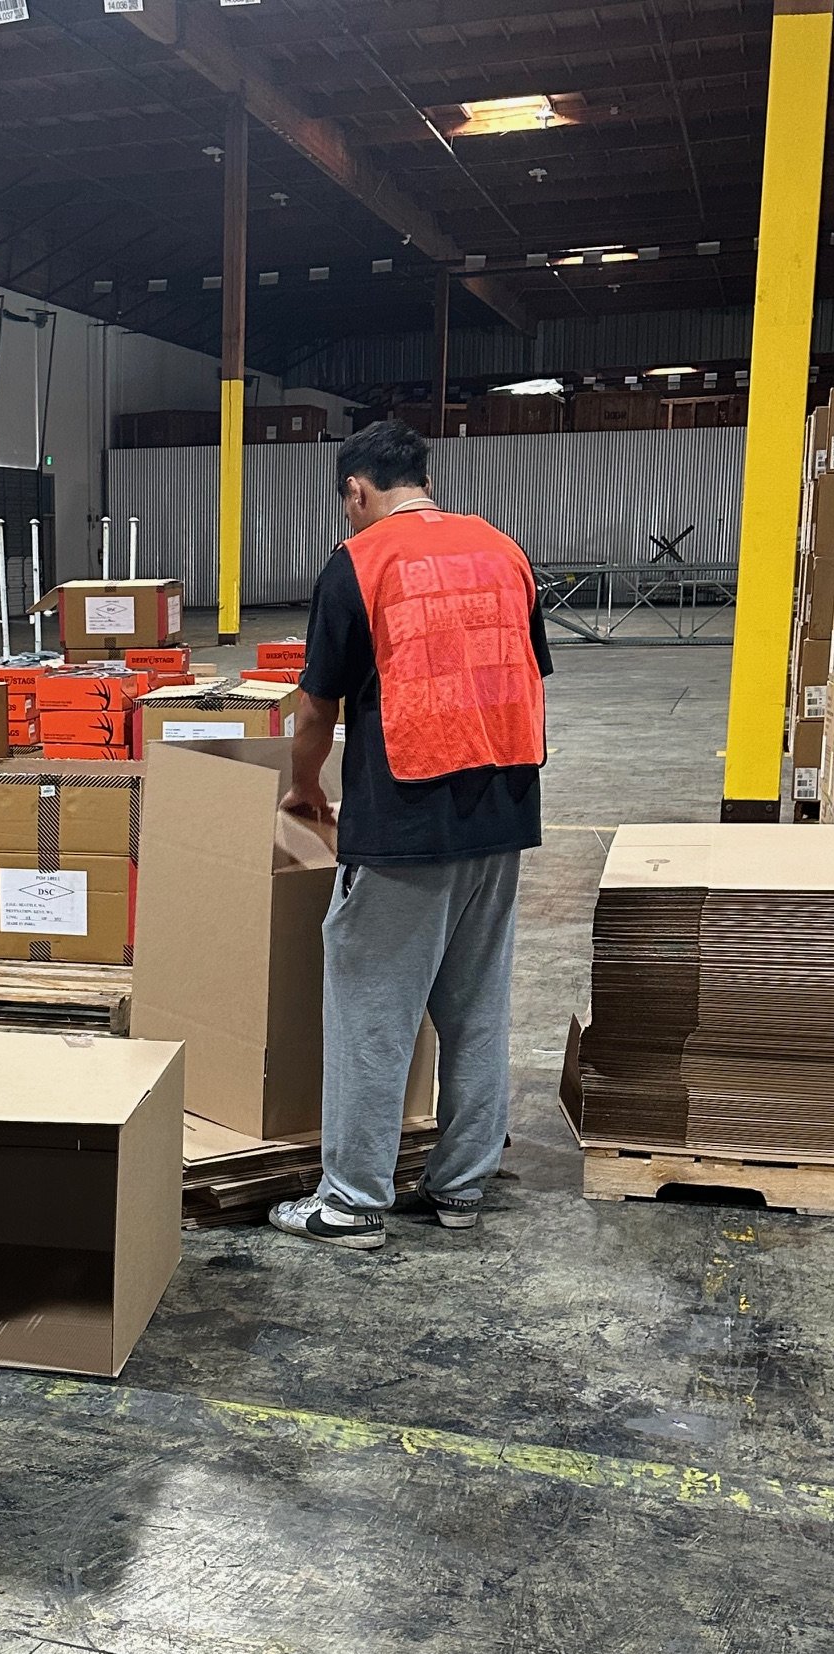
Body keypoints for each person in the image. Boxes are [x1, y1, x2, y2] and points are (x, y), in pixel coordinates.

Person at [269, 418, 552, 1252]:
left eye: (345, 502)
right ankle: (461, 1184)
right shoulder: (503, 550)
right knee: (476, 1006)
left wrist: (304, 786)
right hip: (504, 809)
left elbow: (316, 707)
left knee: (372, 1011)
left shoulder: (358, 562)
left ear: (355, 490)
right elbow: (526, 669)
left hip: (406, 817)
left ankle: (351, 1203)